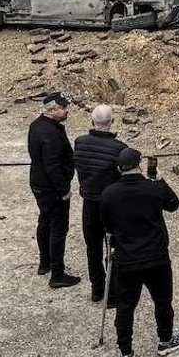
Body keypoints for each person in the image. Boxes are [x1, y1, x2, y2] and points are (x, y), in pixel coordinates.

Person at [100, 148, 179, 357]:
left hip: (127, 259)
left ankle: (125, 352)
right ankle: (165, 340)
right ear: (139, 165)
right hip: (156, 256)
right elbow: (174, 204)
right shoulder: (153, 188)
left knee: (126, 307)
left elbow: (106, 225)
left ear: (119, 169)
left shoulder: (108, 194)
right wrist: (159, 179)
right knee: (163, 300)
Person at [73, 104, 128, 304]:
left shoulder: (79, 142)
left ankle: (97, 289)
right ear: (112, 122)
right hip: (111, 206)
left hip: (89, 202)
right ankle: (112, 293)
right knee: (113, 248)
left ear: (92, 121)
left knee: (93, 248)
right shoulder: (120, 148)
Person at [28, 91, 80, 288]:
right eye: (63, 107)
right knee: (58, 228)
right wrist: (63, 190)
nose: (67, 110)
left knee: (44, 220)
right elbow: (52, 167)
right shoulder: (50, 134)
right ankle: (57, 274)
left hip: (39, 184)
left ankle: (45, 262)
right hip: (52, 188)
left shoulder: (36, 125)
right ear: (53, 110)